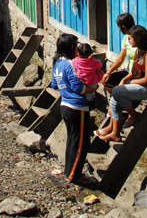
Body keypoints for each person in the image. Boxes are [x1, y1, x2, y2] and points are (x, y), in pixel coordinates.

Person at [96, 25, 147, 142]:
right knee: (114, 100)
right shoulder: (140, 51)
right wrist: (124, 80)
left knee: (116, 92)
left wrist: (132, 82)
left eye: (130, 39)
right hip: (140, 85)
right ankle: (115, 133)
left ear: (137, 39)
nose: (129, 41)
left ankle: (133, 115)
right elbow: (134, 71)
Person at [51, 33, 95, 186]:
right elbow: (78, 87)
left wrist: (66, 90)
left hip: (65, 106)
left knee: (72, 141)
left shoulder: (57, 64)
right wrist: (92, 88)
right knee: (81, 144)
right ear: (71, 48)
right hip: (77, 107)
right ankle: (75, 176)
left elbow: (54, 85)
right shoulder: (70, 64)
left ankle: (70, 171)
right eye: (76, 46)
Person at [101, 13, 136, 91]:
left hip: (137, 73)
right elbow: (120, 59)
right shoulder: (125, 39)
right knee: (107, 82)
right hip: (129, 71)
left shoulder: (138, 39)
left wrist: (125, 79)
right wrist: (108, 72)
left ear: (123, 27)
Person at [72, 43, 104, 109]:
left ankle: (89, 98)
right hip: (93, 83)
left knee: (85, 90)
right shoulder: (94, 62)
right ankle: (92, 97)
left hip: (83, 83)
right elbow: (99, 65)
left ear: (78, 53)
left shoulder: (75, 61)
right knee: (92, 90)